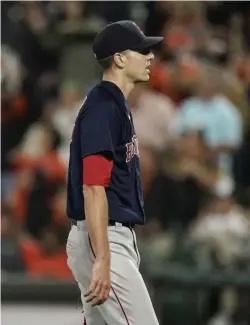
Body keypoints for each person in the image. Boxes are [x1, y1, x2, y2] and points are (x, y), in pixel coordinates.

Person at [65, 20, 162, 325]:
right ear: (120, 58)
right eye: (142, 50)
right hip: (103, 237)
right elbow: (93, 186)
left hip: (107, 237)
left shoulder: (115, 104)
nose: (151, 57)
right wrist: (103, 258)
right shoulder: (103, 106)